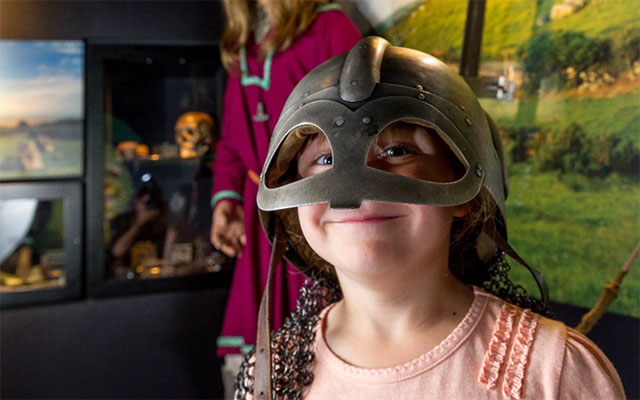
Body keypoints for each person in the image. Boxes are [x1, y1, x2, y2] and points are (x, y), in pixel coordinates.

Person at [234, 37, 625, 399]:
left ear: (467, 189)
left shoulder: (554, 370)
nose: (357, 187)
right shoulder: (271, 374)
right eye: (326, 159)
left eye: (398, 151)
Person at [210, 0, 362, 356]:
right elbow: (232, 139)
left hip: (316, 208)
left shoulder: (331, 28)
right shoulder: (243, 43)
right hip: (259, 212)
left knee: (322, 343)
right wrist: (227, 199)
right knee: (260, 352)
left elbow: (357, 125)